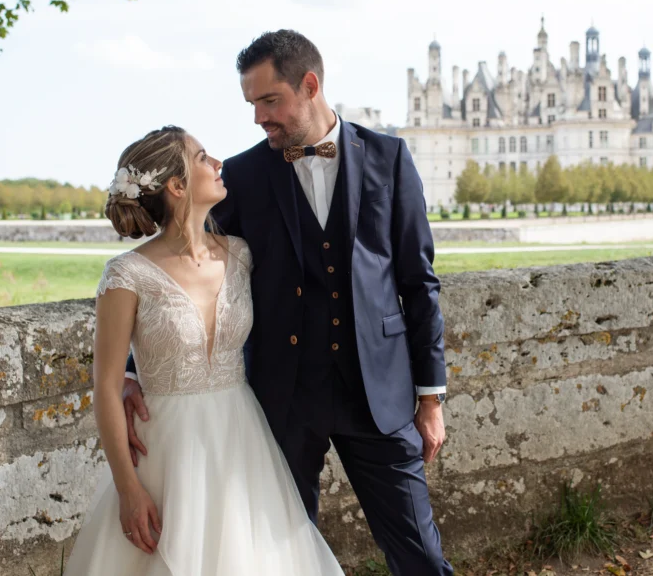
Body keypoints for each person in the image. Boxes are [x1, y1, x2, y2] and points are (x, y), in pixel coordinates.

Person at [123, 30, 454, 575]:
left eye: (269, 100)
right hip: (282, 400)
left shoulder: (389, 158)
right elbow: (183, 266)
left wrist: (431, 397)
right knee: (279, 558)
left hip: (380, 395)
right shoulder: (244, 176)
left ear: (310, 84)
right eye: (251, 104)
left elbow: (419, 282)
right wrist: (137, 367)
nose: (258, 118)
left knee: (420, 555)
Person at [64, 126, 344, 574]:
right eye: (203, 158)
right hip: (165, 449)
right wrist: (129, 488)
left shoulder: (240, 255)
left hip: (241, 436)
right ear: (177, 186)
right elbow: (106, 385)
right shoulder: (125, 275)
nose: (218, 164)